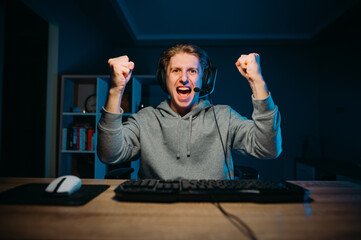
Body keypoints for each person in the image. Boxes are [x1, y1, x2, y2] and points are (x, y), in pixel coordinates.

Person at [97, 44, 282, 180]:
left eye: (192, 71)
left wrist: (257, 82)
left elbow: (268, 148)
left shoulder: (224, 116)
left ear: (204, 79)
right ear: (164, 78)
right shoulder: (145, 119)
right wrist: (116, 89)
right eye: (175, 70)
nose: (184, 78)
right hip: (157, 212)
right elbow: (109, 153)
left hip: (215, 212)